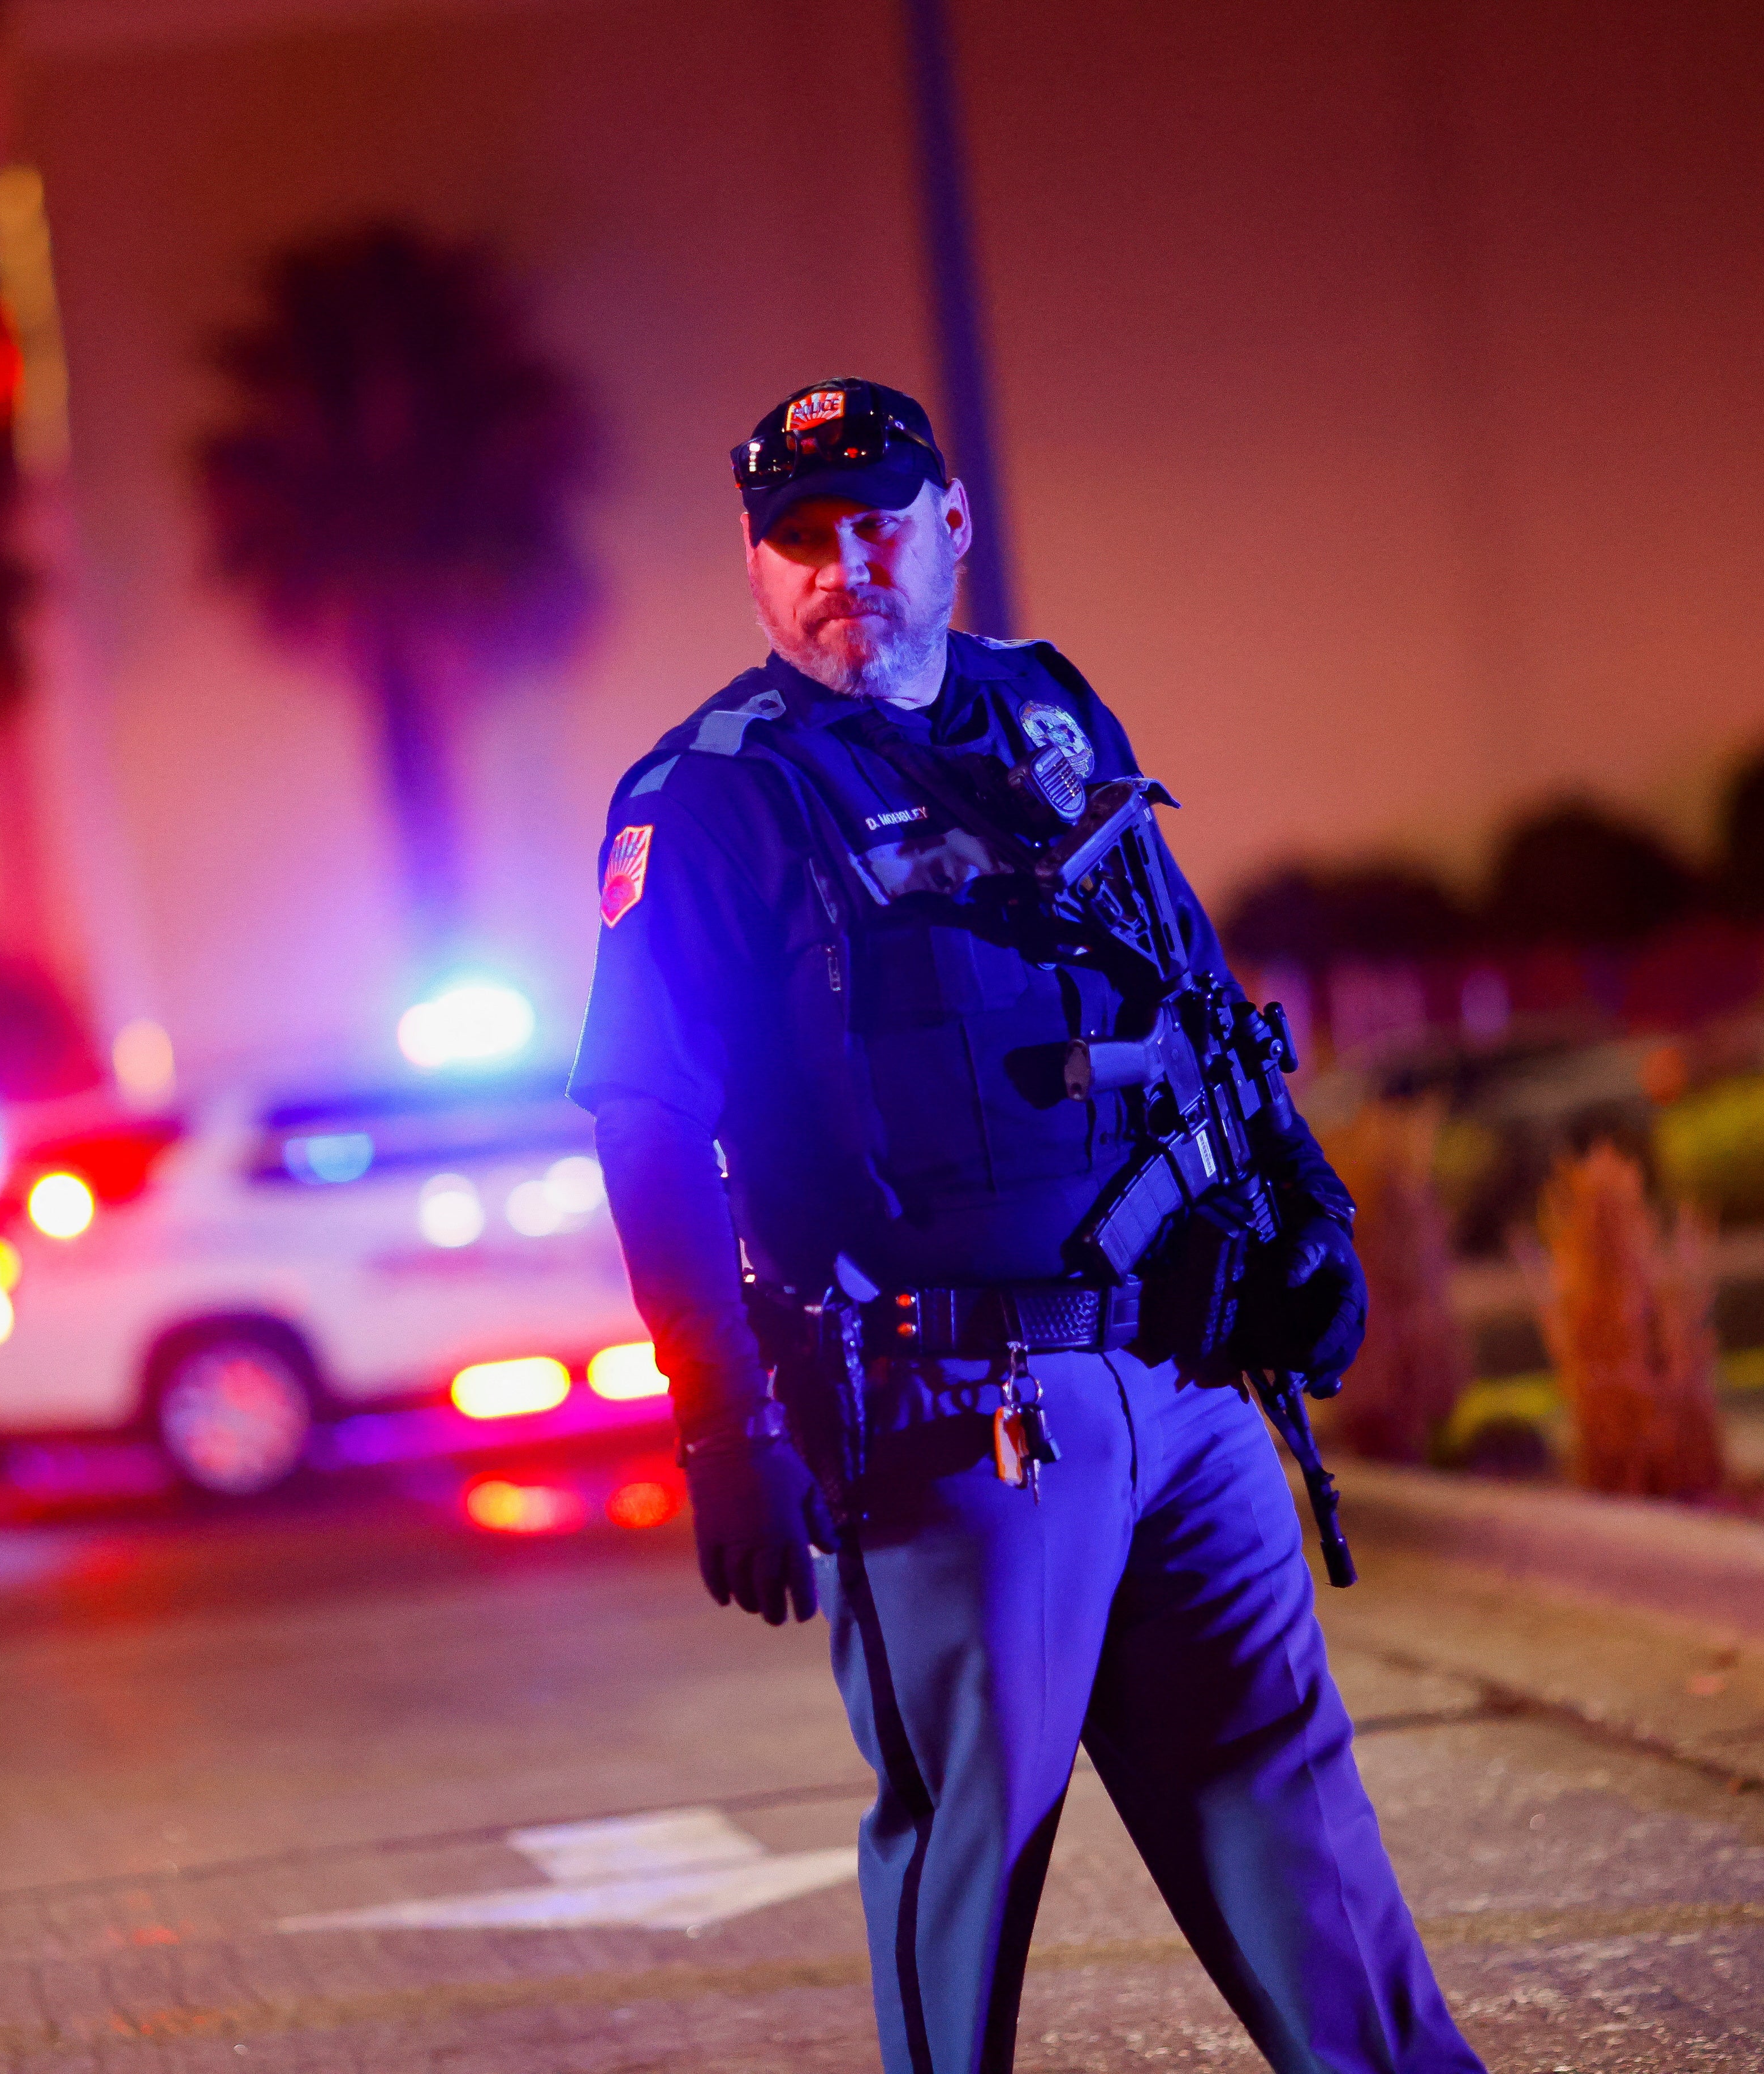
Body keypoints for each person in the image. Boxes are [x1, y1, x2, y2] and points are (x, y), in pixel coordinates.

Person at [570, 378, 1485, 2074]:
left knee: (1287, 1802)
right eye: (799, 540)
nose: (844, 567)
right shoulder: (703, 797)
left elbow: (1189, 976)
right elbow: (645, 1128)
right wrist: (718, 1422)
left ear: (950, 527)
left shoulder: (1046, 706)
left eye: (877, 523)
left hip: (1183, 1381)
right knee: (968, 1850)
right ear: (755, 567)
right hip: (956, 1421)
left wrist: (1299, 1202)